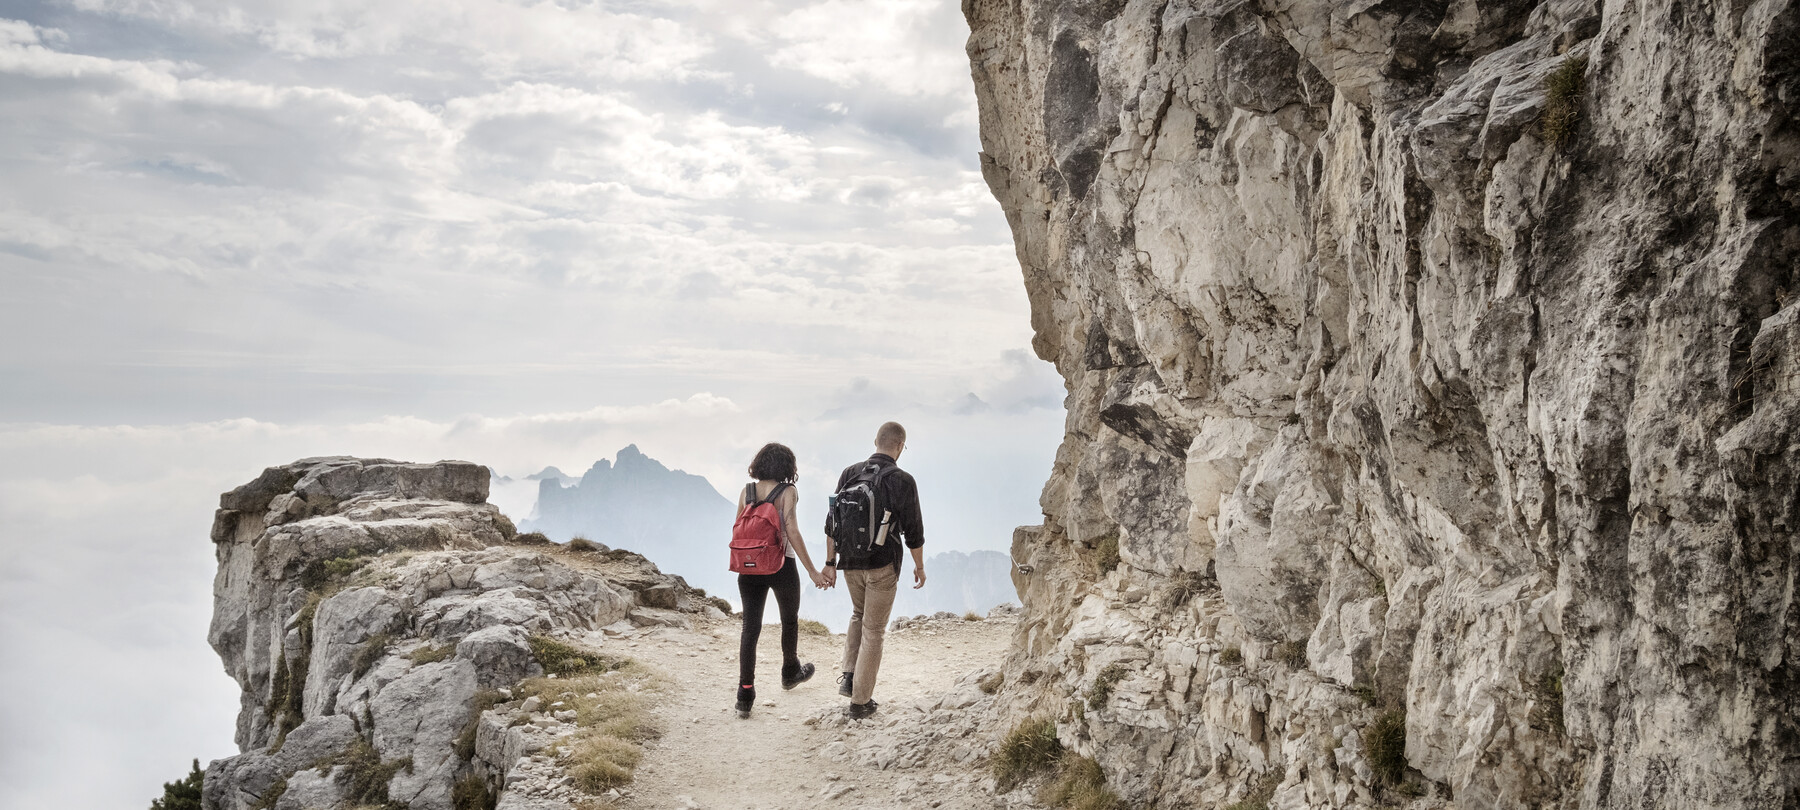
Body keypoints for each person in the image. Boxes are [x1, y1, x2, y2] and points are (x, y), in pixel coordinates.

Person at [821, 421, 925, 719]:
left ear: (875, 441)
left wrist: (830, 563)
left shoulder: (850, 473)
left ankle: (850, 677)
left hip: (849, 563)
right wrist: (919, 566)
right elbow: (914, 531)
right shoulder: (903, 480)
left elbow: (831, 523)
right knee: (874, 630)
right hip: (882, 564)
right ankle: (860, 702)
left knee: (858, 614)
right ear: (900, 446)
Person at [732, 442, 829, 719]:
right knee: (789, 620)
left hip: (749, 567)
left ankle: (745, 694)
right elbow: (793, 531)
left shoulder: (747, 491)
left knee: (750, 629)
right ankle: (790, 672)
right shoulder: (788, 491)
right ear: (787, 466)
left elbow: (738, 528)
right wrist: (813, 571)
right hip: (781, 565)